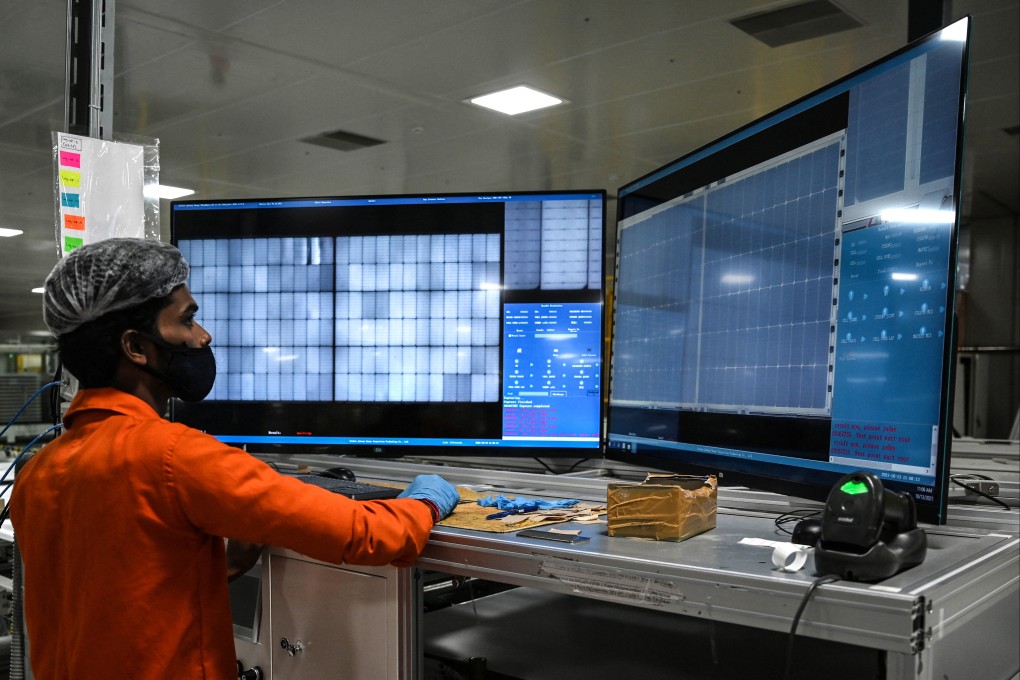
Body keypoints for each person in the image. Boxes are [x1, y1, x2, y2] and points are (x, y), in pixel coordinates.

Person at [10, 238, 460, 680]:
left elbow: (113, 595)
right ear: (136, 347)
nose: (202, 336)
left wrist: (228, 565)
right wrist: (426, 500)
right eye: (187, 321)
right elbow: (370, 536)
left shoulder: (38, 473)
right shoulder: (176, 456)